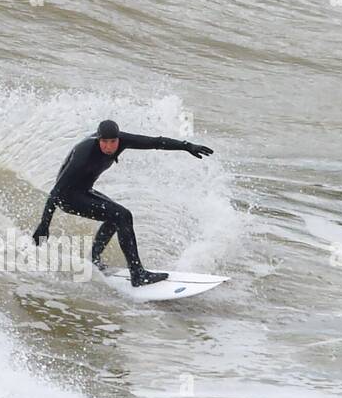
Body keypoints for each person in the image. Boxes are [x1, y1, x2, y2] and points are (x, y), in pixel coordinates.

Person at [31, 119, 214, 286]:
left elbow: (155, 142)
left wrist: (187, 146)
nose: (109, 147)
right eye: (105, 142)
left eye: (113, 142)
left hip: (84, 191)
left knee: (115, 217)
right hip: (67, 197)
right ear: (98, 139)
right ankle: (138, 274)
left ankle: (94, 259)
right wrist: (44, 225)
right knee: (122, 215)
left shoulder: (122, 140)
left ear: (118, 138)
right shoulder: (84, 152)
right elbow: (56, 192)